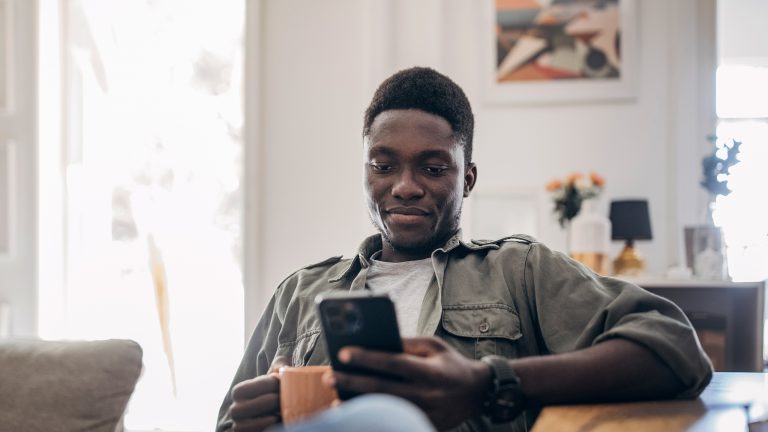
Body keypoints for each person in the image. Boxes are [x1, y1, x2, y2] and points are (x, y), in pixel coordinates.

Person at [216, 67, 712, 432]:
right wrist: (251, 420)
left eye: (433, 168)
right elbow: (227, 422)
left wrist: (489, 382)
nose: (405, 187)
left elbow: (674, 348)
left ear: (467, 179)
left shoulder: (518, 270)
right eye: (383, 166)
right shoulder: (299, 292)